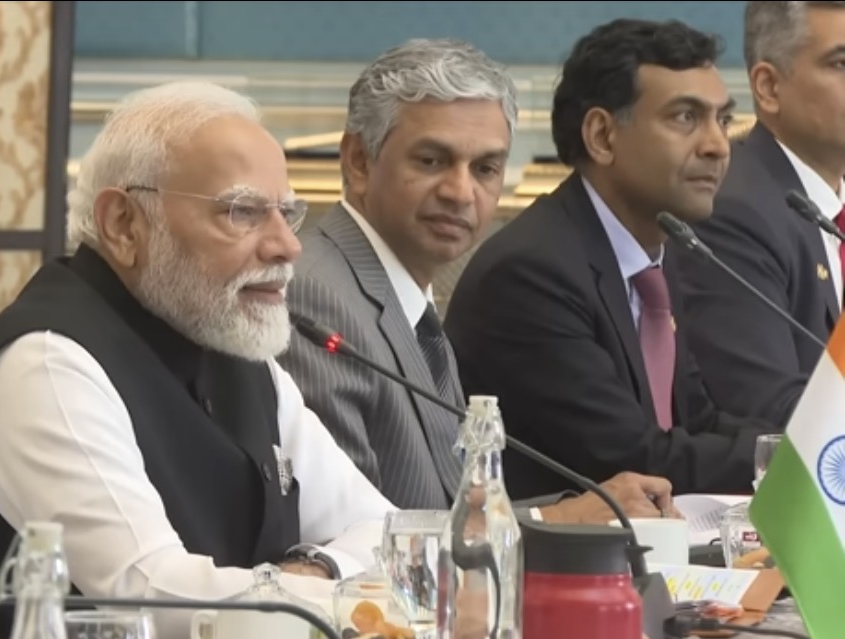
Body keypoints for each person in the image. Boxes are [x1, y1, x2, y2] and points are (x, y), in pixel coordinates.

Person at [0, 81, 399, 639]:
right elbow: (150, 598)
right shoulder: (48, 363)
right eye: (242, 212)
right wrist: (310, 591)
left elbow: (387, 533)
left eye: (287, 214)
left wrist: (319, 567)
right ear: (123, 224)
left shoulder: (233, 344)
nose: (287, 245)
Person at [280, 38, 679, 521]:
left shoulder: (410, 304)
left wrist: (590, 509)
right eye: (431, 161)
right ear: (359, 161)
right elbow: (360, 535)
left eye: (485, 168)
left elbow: (450, 508)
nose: (461, 192)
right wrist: (559, 521)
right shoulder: (316, 297)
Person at [443, 18, 780, 500]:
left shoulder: (655, 254)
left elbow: (694, 419)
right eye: (686, 118)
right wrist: (797, 462)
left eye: (722, 121)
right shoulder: (531, 274)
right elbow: (634, 458)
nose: (716, 146)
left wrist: (801, 448)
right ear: (602, 136)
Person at [675, 1, 845, 426]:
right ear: (769, 87)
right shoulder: (732, 212)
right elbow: (770, 407)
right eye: (841, 64)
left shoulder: (827, 203)